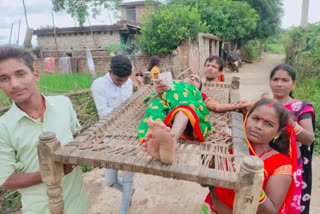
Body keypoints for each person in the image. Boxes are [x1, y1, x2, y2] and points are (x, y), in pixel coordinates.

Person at [0, 46, 89, 214]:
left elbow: (76, 137)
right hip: (40, 209)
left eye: (20, 74)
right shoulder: (3, 128)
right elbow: (5, 179)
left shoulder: (64, 104)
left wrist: (83, 153)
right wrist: (52, 172)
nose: (14, 84)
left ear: (36, 75)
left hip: (78, 204)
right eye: (4, 78)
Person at [202, 98, 297, 214]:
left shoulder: (281, 165)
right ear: (246, 118)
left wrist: (251, 182)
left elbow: (271, 212)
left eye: (268, 124)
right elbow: (205, 182)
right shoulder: (229, 145)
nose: (258, 126)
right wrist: (215, 151)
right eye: (255, 118)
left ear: (278, 132)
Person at [138, 73, 250, 164]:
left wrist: (235, 105)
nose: (193, 78)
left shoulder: (199, 95)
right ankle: (159, 144)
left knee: (185, 109)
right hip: (167, 114)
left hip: (185, 117)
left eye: (197, 80)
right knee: (155, 107)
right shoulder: (170, 85)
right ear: (182, 80)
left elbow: (217, 106)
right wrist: (158, 92)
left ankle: (171, 141)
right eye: (190, 76)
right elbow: (148, 103)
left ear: (198, 88)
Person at [91, 55, 135, 214]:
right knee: (110, 181)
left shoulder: (129, 82)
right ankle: (128, 191)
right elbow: (104, 114)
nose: (122, 83)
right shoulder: (98, 85)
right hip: (110, 137)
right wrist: (125, 111)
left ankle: (126, 201)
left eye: (124, 80)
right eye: (118, 80)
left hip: (130, 136)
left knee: (129, 179)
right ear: (110, 71)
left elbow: (132, 105)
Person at [270, 64, 315, 214]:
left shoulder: (300, 108)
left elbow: (309, 139)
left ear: (293, 83)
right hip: (266, 164)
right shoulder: (264, 105)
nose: (279, 84)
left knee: (287, 207)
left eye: (285, 80)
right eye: (275, 79)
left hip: (291, 167)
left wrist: (291, 124)